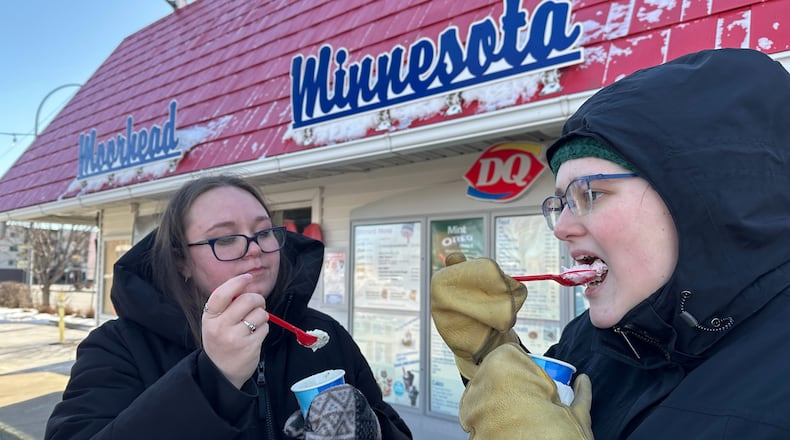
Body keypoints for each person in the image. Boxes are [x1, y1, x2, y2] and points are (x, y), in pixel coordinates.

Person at [431, 47, 790, 438]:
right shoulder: (600, 335)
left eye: (591, 194)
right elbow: (529, 414)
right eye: (561, 202)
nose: (561, 226)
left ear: (704, 197)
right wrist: (491, 358)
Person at [45, 175, 412, 440]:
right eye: (225, 237)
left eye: (264, 231)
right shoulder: (118, 347)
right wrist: (212, 380)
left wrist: (373, 429)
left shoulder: (322, 336)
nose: (254, 249)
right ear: (181, 262)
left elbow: (395, 429)